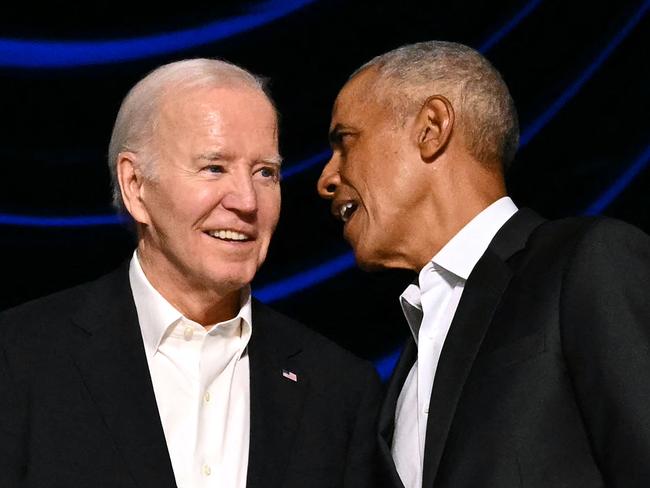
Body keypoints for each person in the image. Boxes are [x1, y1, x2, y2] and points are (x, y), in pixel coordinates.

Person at [0, 58, 382, 488]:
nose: (246, 201)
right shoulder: (19, 359)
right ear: (135, 185)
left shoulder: (340, 391)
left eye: (265, 173)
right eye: (214, 167)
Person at [317, 41, 650, 487]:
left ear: (431, 128)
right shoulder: (402, 372)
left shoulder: (586, 262)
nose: (326, 179)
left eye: (345, 142)